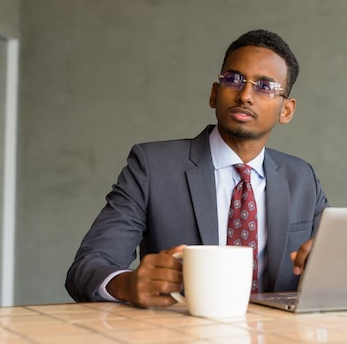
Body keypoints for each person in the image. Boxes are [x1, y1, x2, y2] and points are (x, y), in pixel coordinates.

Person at [65, 29, 329, 308]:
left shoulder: (302, 179)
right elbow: (87, 267)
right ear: (215, 94)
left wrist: (331, 266)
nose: (245, 95)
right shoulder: (152, 167)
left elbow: (338, 261)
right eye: (234, 79)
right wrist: (126, 284)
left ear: (286, 110)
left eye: (265, 86)